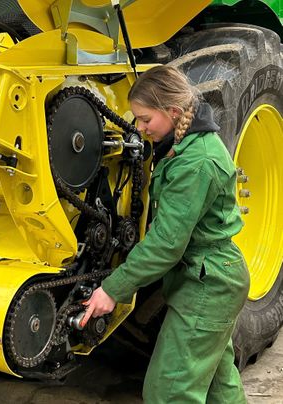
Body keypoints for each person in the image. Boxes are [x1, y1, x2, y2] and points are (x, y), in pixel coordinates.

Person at [81, 65, 250, 403]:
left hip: (208, 283)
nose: (141, 129)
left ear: (173, 112)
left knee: (169, 391)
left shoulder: (195, 162)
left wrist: (113, 289)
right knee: (219, 386)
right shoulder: (184, 144)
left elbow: (167, 244)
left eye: (146, 120)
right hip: (212, 278)